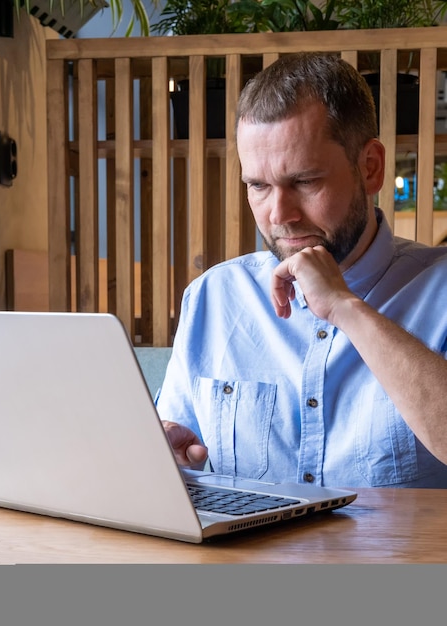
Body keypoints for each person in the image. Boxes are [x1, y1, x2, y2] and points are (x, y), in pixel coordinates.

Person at [156, 52, 447, 488]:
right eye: (258, 186)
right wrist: (166, 453)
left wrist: (345, 307)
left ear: (370, 168)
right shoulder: (213, 296)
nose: (279, 214)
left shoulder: (439, 290)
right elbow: (175, 447)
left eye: (305, 182)